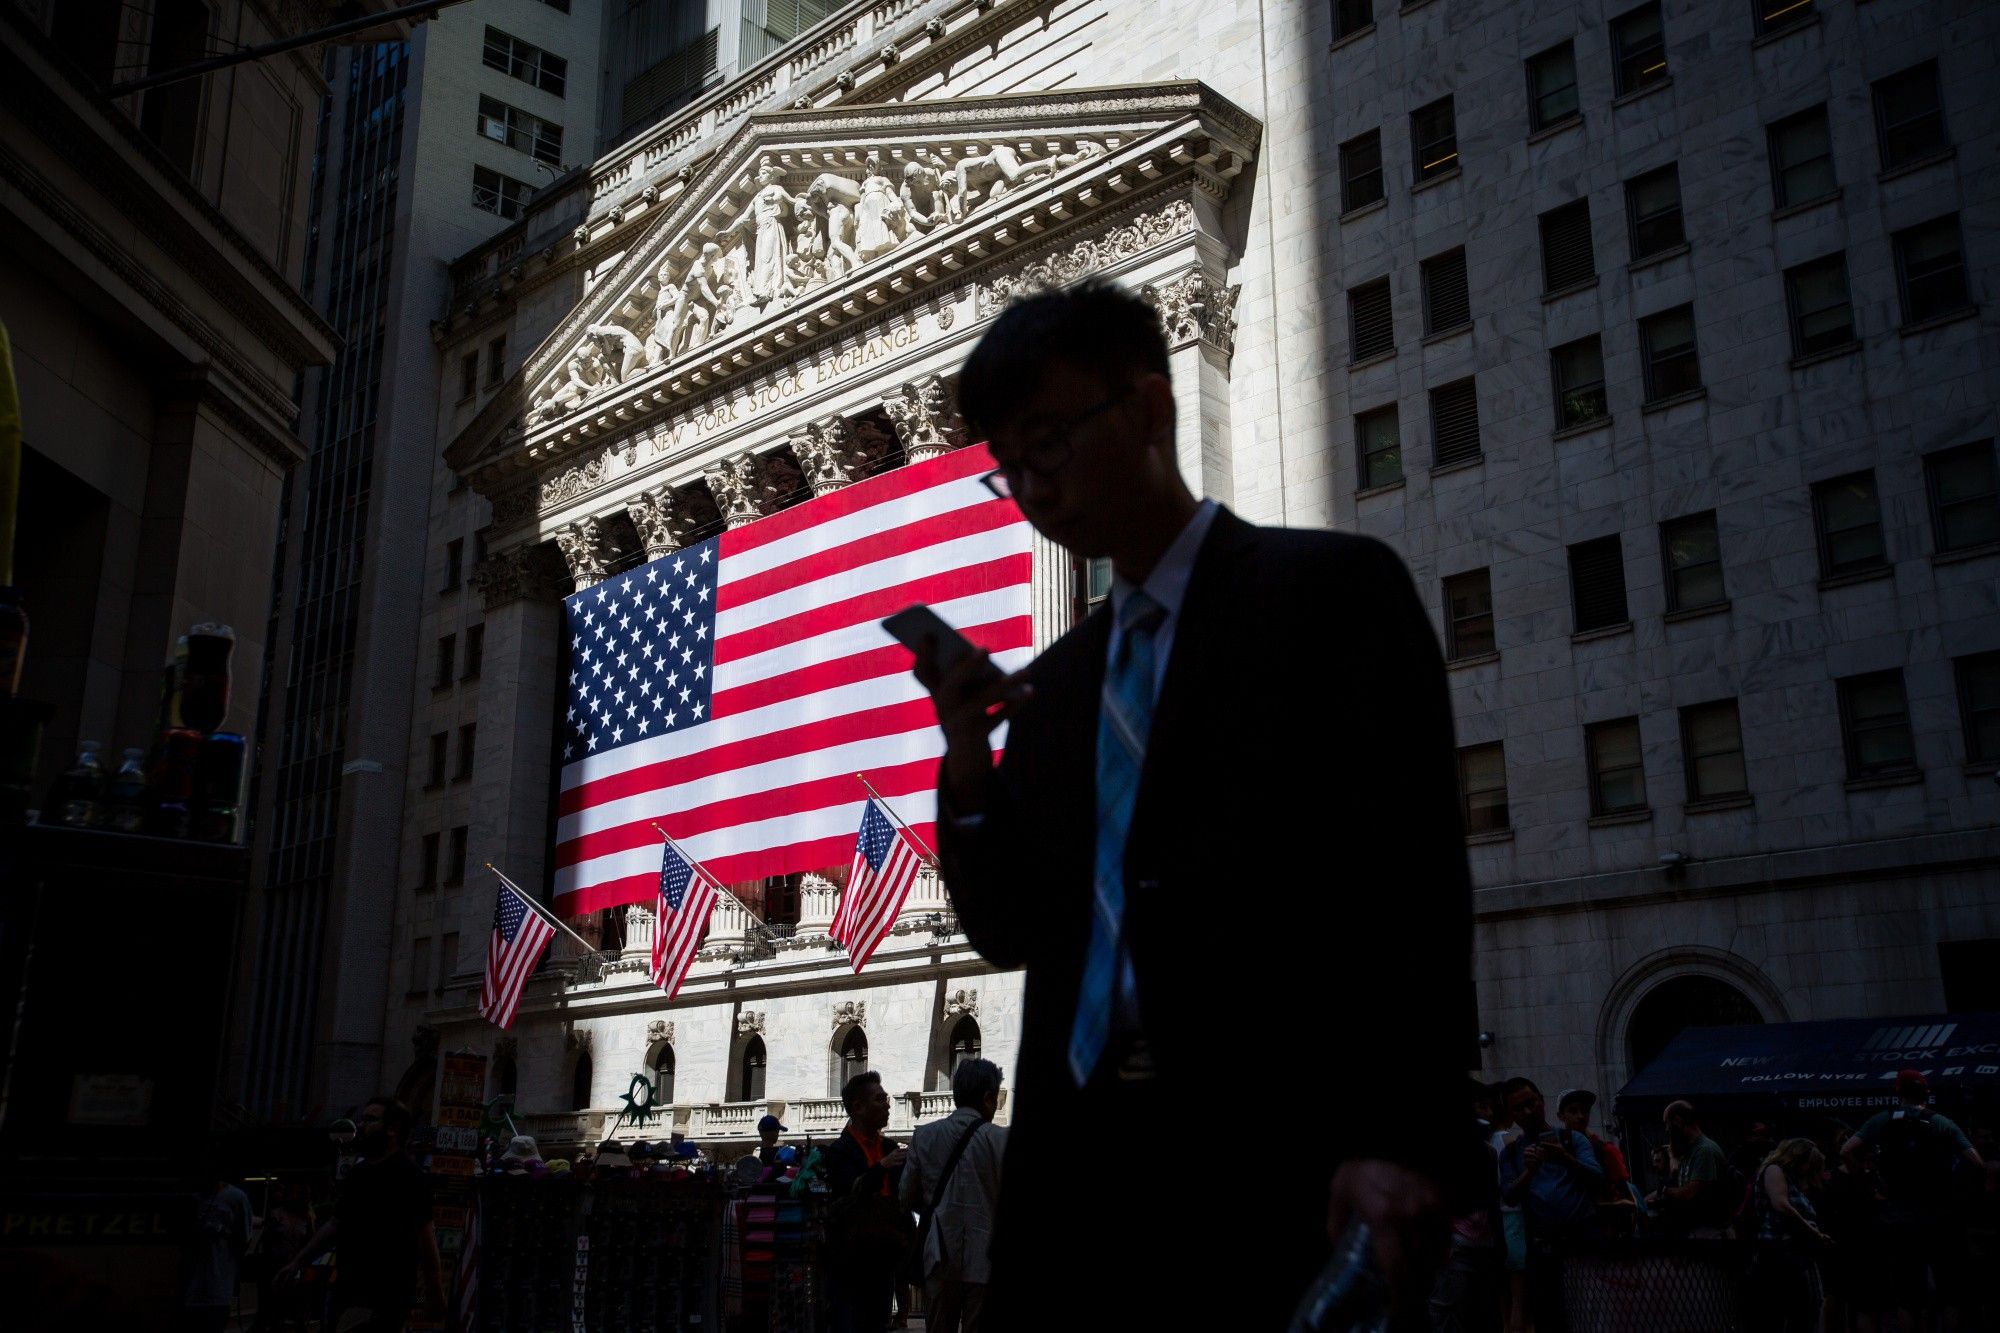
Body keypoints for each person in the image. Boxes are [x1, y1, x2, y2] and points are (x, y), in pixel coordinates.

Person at [917, 279, 1481, 1328]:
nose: (1033, 485)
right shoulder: (1053, 688)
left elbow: (1406, 876)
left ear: (1144, 409)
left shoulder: (1331, 594)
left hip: (1271, 1165)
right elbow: (1008, 927)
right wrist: (964, 753)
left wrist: (1398, 1135)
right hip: (1074, 1187)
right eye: (1010, 465)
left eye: (1048, 440)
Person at [277, 1096, 443, 1332]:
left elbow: (426, 1239)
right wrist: (297, 1262)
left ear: (392, 1129)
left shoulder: (409, 1176)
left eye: (370, 1119)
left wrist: (435, 1293)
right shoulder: (359, 1173)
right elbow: (336, 1224)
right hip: (347, 1290)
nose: (362, 1125)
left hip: (384, 1297)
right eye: (362, 1119)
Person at [1844, 1069, 1988, 1328]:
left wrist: (1866, 1181)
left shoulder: (1881, 1120)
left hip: (1897, 1216)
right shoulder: (1942, 1122)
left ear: (1897, 1092)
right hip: (1940, 1216)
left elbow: (1846, 1150)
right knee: (1951, 1292)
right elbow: (1977, 1163)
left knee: (1906, 1293)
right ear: (1927, 1093)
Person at [899, 1059, 1007, 1333]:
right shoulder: (1001, 1140)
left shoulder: (924, 1137)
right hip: (986, 1258)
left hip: (938, 1254)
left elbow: (905, 1196)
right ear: (987, 1098)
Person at [1498, 1079, 1603, 1332]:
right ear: (1511, 1115)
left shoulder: (1571, 1140)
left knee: (1589, 1317)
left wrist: (1564, 1157)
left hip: (1582, 1243)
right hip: (1542, 1250)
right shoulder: (1511, 1154)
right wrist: (1530, 1172)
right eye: (1518, 1108)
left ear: (1541, 1102)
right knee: (1549, 1318)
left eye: (1531, 1103)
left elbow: (1597, 1177)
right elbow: (1509, 1196)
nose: (1527, 1112)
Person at [821, 1071, 910, 1333]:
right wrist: (882, 1167)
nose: (887, 1104)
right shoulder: (839, 1151)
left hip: (884, 1257)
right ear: (858, 1107)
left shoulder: (889, 1147)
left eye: (887, 1099)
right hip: (849, 1262)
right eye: (880, 1099)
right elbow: (849, 1190)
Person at [1744, 1137, 1831, 1333]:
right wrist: (1814, 1232)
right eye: (1808, 1164)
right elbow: (1781, 1204)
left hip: (1795, 1254)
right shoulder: (1775, 1170)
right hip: (1778, 1252)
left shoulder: (1792, 1180)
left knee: (1804, 1312)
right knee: (1786, 1313)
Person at [1819, 1129, 1887, 1333]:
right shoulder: (1872, 1180)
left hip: (1838, 1246)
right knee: (1866, 1307)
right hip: (1867, 1247)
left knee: (1835, 1299)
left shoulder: (1831, 1179)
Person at [183, 1161, 252, 1333]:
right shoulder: (195, 1198)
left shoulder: (235, 1198)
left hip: (217, 1283)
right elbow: (244, 1239)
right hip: (206, 1284)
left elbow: (244, 1238)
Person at [1646, 1099, 1732, 1236]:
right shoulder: (1689, 1151)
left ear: (1678, 1121)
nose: (1667, 1130)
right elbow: (1676, 1177)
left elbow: (1689, 1193)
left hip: (1709, 1231)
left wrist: (1665, 1191)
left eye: (1668, 1125)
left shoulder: (1704, 1151)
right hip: (1697, 1229)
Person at [1556, 1089, 1634, 1222]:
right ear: (1561, 1116)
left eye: (1585, 1111)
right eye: (1573, 1111)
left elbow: (1626, 1196)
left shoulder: (1606, 1150)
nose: (1580, 1116)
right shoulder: (1555, 1150)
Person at [736, 1114, 788, 1185]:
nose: (778, 1134)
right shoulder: (778, 1155)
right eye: (777, 1131)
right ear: (773, 1132)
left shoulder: (757, 1158)